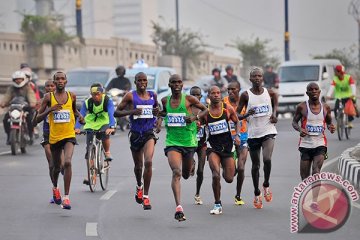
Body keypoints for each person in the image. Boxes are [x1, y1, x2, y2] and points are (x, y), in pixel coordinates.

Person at [157, 74, 206, 221]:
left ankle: (191, 165)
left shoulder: (190, 99)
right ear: (170, 85)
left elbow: (205, 110)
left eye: (179, 82)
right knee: (176, 172)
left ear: (182, 85)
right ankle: (179, 207)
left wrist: (194, 117)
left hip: (189, 143)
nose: (177, 84)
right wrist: (158, 117)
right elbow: (165, 113)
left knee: (185, 174)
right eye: (174, 82)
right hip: (172, 143)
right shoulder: (165, 100)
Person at [37, 71, 84, 210]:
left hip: (69, 135)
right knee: (56, 167)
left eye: (62, 79)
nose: (60, 81)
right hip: (54, 137)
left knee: (67, 162)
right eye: (57, 79)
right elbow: (37, 119)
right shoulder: (48, 97)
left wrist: (80, 117)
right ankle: (55, 187)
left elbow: (74, 111)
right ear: (54, 81)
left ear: (66, 81)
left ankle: (66, 197)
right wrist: (50, 109)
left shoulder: (71, 96)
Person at [114, 72, 159, 210]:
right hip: (135, 134)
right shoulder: (130, 96)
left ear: (147, 82)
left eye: (144, 80)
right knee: (139, 167)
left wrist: (157, 121)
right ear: (135, 82)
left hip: (148, 133)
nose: (142, 83)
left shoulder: (153, 95)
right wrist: (132, 112)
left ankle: (146, 196)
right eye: (139, 80)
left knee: (149, 162)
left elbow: (157, 111)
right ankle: (139, 186)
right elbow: (116, 113)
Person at [237, 67, 278, 209]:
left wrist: (275, 115)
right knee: (256, 165)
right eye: (254, 76)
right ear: (250, 79)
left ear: (262, 78)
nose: (257, 78)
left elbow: (275, 103)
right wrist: (247, 114)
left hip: (268, 131)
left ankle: (266, 184)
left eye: (259, 76)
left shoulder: (270, 92)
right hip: (253, 134)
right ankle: (256, 192)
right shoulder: (245, 95)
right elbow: (237, 115)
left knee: (267, 159)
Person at [292, 82, 335, 211]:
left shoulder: (326, 107)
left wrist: (331, 126)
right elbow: (294, 121)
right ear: (307, 93)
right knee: (304, 177)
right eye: (311, 90)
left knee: (316, 171)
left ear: (320, 92)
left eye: (316, 89)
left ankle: (315, 202)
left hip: (320, 144)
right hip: (305, 145)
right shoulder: (302, 107)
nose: (314, 91)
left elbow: (328, 122)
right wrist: (299, 129)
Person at [197, 86, 240, 215]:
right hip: (212, 147)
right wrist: (196, 123)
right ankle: (217, 204)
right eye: (213, 93)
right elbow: (196, 125)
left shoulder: (227, 109)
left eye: (218, 93)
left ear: (220, 95)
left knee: (229, 178)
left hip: (227, 147)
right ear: (209, 96)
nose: (216, 95)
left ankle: (231, 164)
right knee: (215, 175)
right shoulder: (205, 113)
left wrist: (237, 135)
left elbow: (237, 122)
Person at [74, 82, 116, 185]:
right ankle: (91, 175)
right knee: (89, 150)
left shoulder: (107, 101)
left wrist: (111, 126)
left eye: (98, 94)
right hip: (91, 123)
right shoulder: (87, 102)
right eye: (93, 94)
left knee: (105, 134)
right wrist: (77, 128)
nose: (95, 96)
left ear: (102, 93)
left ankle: (107, 152)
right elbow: (81, 115)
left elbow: (111, 114)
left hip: (104, 121)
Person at [32, 80, 60, 203]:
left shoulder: (64, 98)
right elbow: (35, 120)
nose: (50, 88)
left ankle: (62, 169)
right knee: (52, 164)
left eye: (52, 86)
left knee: (62, 165)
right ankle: (55, 189)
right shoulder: (42, 101)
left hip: (62, 133)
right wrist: (42, 110)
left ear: (56, 87)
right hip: (48, 133)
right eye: (47, 86)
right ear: (44, 89)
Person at [223, 81, 248, 206]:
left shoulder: (244, 102)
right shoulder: (223, 102)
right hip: (227, 138)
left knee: (241, 167)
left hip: (243, 136)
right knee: (230, 175)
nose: (230, 92)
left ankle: (238, 195)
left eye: (233, 89)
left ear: (239, 89)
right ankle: (228, 168)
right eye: (229, 89)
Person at [0, 70, 36, 145]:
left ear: (23, 79)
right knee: (6, 119)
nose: (18, 81)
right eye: (16, 79)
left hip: (26, 108)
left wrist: (32, 103)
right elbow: (7, 96)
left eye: (20, 79)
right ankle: (9, 135)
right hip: (14, 108)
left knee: (30, 119)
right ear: (13, 80)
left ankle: (30, 134)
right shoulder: (11, 88)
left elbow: (31, 96)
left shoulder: (28, 87)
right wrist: (3, 103)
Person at [189, 86, 207, 205]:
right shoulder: (187, 108)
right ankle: (192, 163)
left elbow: (210, 122)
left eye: (198, 95)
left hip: (202, 143)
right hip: (189, 143)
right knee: (189, 169)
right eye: (193, 95)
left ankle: (197, 193)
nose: (195, 97)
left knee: (200, 170)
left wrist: (201, 124)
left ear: (201, 96)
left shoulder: (204, 109)